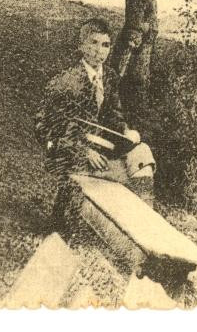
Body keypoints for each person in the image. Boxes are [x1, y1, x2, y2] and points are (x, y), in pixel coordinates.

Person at [34, 18, 155, 236]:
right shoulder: (64, 82)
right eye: (94, 43)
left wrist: (126, 131)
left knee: (142, 153)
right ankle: (117, 225)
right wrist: (82, 150)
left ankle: (144, 228)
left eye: (106, 45)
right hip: (71, 156)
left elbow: (113, 116)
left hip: (101, 152)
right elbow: (43, 128)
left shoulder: (109, 78)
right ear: (81, 46)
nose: (100, 51)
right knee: (90, 208)